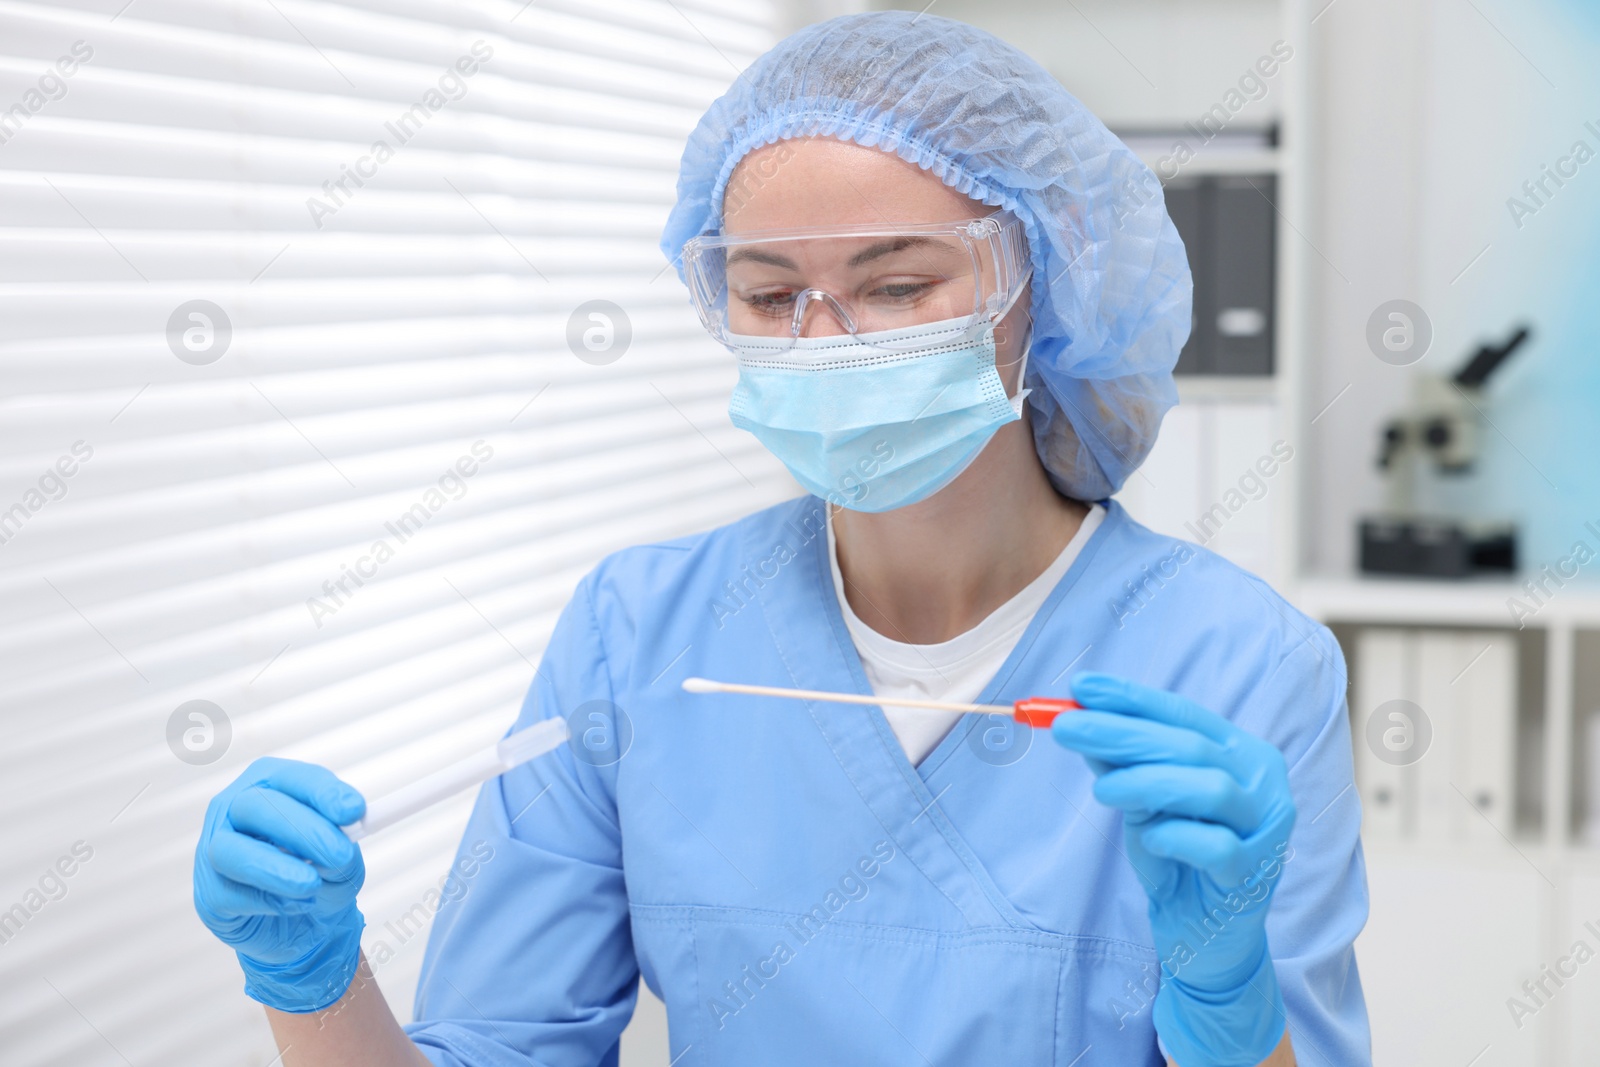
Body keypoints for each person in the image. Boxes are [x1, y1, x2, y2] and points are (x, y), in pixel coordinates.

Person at [192, 12, 1370, 1066]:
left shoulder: (1240, 667)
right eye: (767, 295)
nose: (825, 341)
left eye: (898, 282)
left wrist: (1225, 998)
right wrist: (312, 985)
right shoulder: (638, 634)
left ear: (1043, 280)